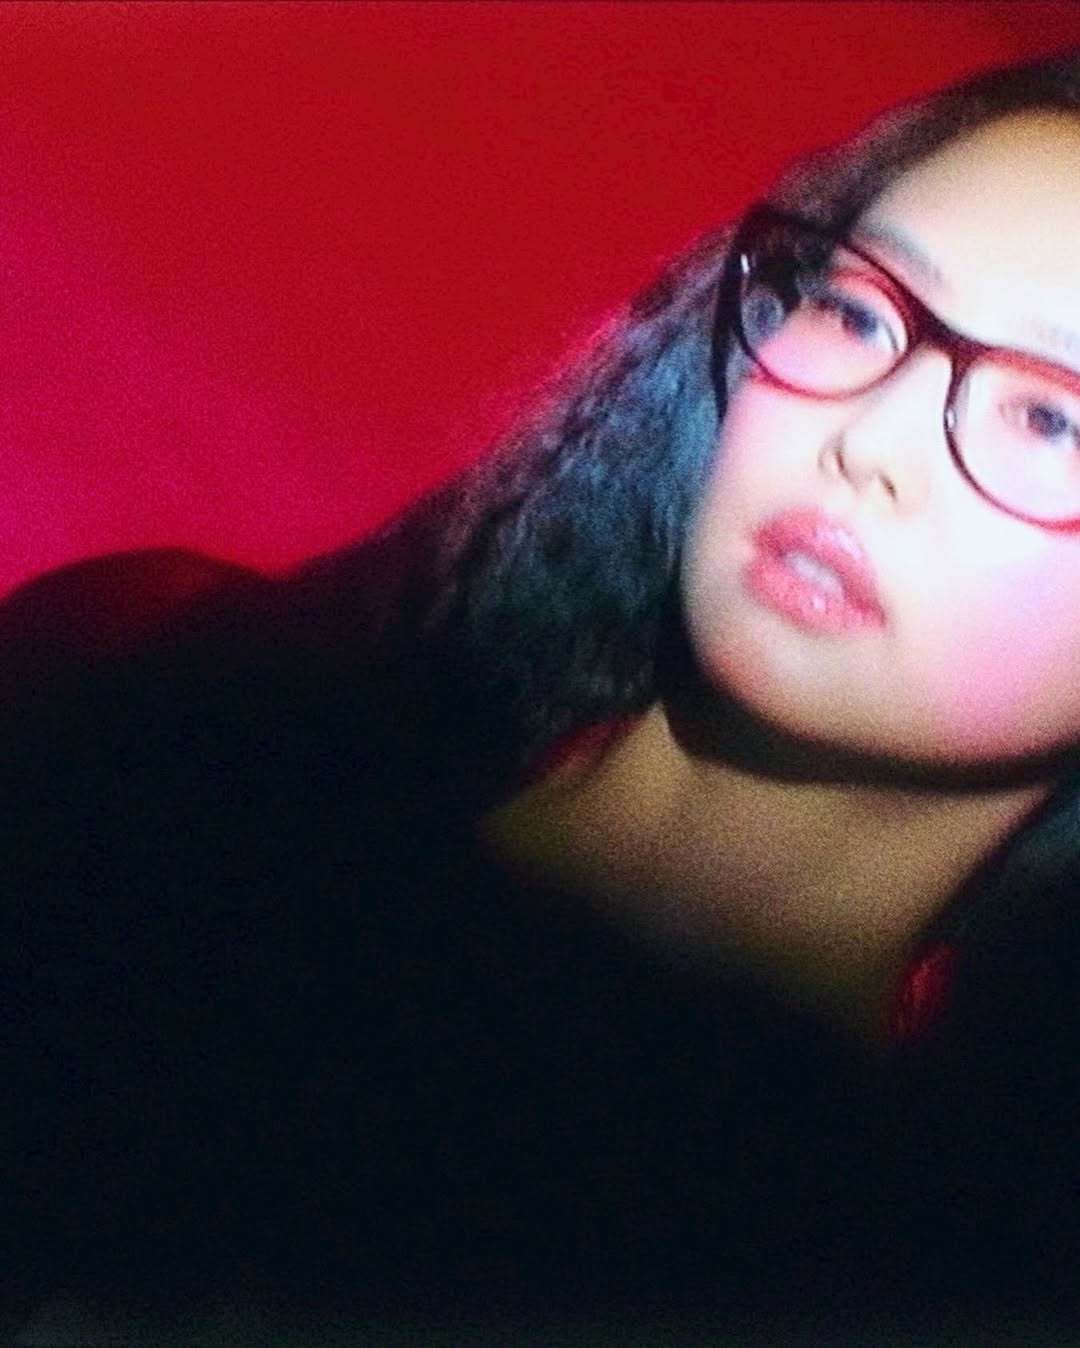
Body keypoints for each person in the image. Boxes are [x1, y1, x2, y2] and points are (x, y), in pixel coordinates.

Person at [8, 46, 1080, 1340]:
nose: (870, 438)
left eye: (1053, 420)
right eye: (858, 312)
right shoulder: (140, 708)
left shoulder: (915, 1278)